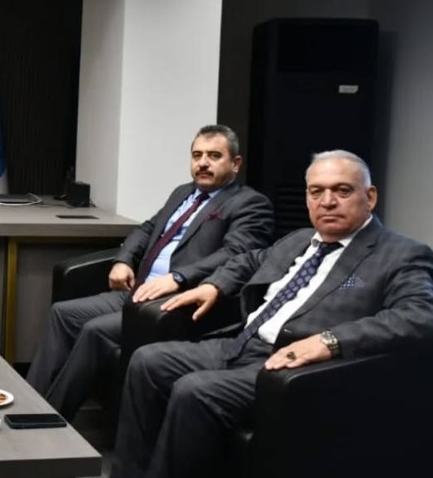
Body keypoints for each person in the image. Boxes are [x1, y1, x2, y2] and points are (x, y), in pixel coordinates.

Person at [72, 150, 433, 478]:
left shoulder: (401, 254)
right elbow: (249, 260)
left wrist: (329, 341)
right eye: (316, 191)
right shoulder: (299, 239)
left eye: (342, 190)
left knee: (194, 390)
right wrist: (213, 285)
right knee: (148, 361)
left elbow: (421, 315)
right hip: (242, 343)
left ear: (369, 197)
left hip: (295, 370)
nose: (327, 201)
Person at [26, 125, 274, 418]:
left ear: (235, 163)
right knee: (62, 313)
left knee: (95, 331)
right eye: (197, 155)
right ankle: (30, 402)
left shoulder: (250, 203)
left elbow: (236, 254)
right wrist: (123, 260)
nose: (203, 163)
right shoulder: (183, 192)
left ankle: (46, 420)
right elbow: (147, 229)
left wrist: (179, 277)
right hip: (138, 290)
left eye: (214, 156)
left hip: (174, 301)